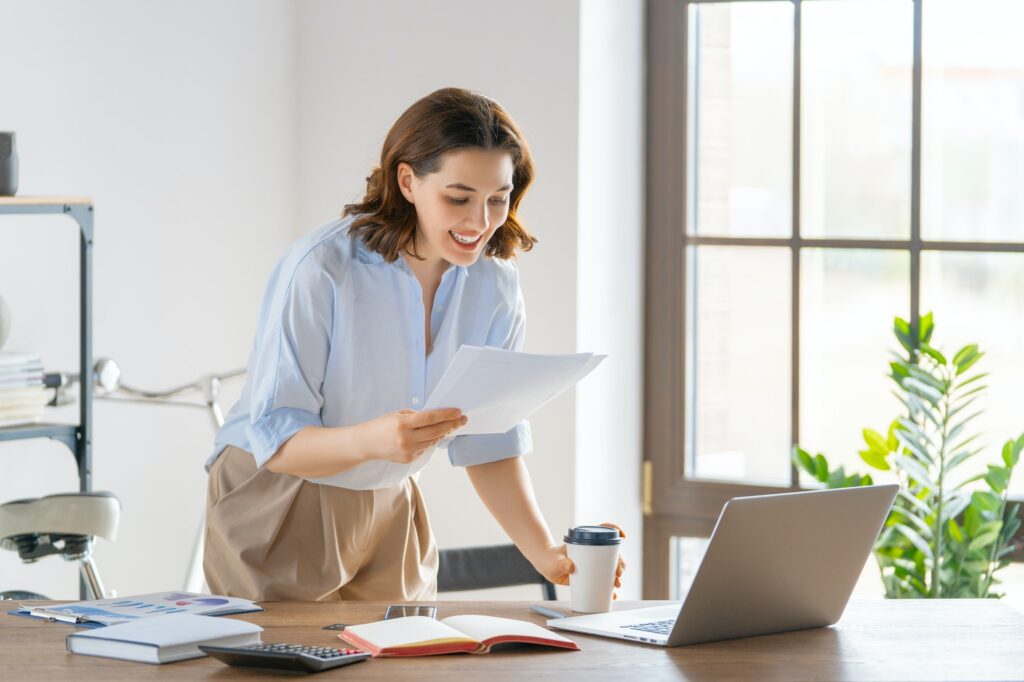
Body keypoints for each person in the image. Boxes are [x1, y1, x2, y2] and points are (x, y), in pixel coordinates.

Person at [203, 87, 626, 602]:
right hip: (278, 495)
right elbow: (277, 436)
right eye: (458, 197)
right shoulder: (321, 269)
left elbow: (488, 440)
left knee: (406, 662)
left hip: (390, 500)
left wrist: (547, 554)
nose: (480, 222)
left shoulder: (495, 285)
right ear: (408, 181)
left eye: (498, 199)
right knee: (285, 666)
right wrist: (372, 441)